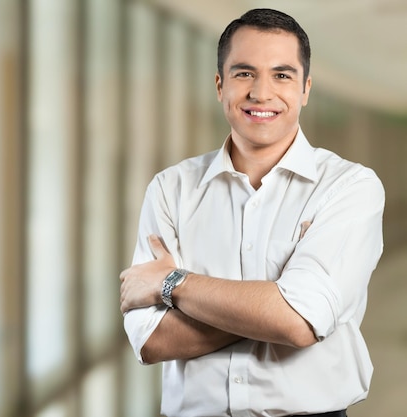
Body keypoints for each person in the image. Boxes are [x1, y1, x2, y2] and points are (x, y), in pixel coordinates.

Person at [119, 8, 384, 417]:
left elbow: (298, 321)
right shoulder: (171, 189)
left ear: (305, 88)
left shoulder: (349, 187)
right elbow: (153, 341)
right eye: (244, 74)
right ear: (220, 85)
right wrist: (273, 302)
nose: (261, 93)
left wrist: (171, 283)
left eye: (282, 75)